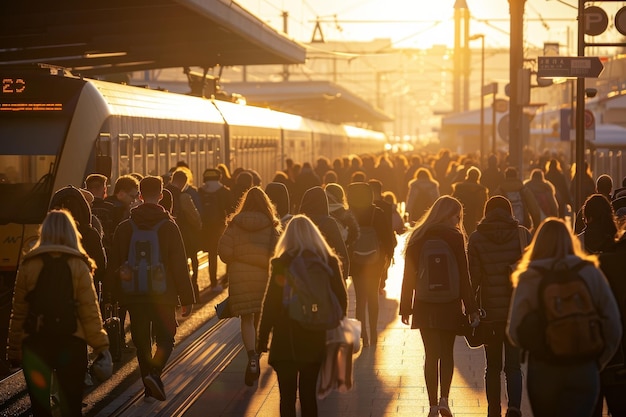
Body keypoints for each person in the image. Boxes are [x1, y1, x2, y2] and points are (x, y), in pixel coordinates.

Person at [507, 218, 622, 417]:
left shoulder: (529, 277)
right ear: (571, 241)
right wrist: (597, 362)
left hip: (544, 369)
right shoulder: (589, 271)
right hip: (584, 367)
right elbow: (613, 324)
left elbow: (514, 330)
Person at [7, 209, 110, 416]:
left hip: (36, 345)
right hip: (71, 343)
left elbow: (19, 311)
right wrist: (101, 346)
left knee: (40, 408)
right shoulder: (79, 264)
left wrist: (14, 351)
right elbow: (89, 310)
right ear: (72, 232)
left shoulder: (29, 264)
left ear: (43, 232)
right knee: (71, 406)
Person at [104, 176, 195, 401]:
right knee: (166, 339)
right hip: (163, 295)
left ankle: (148, 384)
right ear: (162, 196)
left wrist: (110, 295)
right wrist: (187, 297)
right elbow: (179, 265)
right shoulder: (169, 226)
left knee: (141, 342)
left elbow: (114, 263)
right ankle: (154, 374)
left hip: (134, 295)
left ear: (140, 195)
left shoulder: (125, 227)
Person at [257, 215, 348, 417]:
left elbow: (271, 303)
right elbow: (341, 301)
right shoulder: (328, 261)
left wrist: (262, 338)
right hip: (315, 338)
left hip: (285, 339)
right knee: (308, 395)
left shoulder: (282, 263)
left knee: (287, 398)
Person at [400, 195, 480, 417]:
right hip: (450, 304)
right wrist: (471, 307)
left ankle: (433, 405)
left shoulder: (418, 236)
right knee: (447, 353)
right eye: (457, 215)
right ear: (448, 214)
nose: (458, 219)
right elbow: (464, 276)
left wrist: (406, 306)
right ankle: (445, 399)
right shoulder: (454, 237)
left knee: (430, 354)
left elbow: (409, 275)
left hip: (425, 304)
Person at [468, 196, 531, 417]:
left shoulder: (476, 238)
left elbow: (473, 277)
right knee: (514, 366)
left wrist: (471, 307)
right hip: (516, 311)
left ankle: (493, 410)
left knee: (492, 366)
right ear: (509, 211)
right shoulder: (522, 234)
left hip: (490, 314)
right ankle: (514, 408)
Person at [218, 186, 282, 386]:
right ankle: (261, 349)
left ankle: (251, 355)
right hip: (264, 278)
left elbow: (224, 252)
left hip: (240, 277)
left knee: (246, 318)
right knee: (261, 316)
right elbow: (279, 255)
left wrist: (239, 257)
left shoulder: (234, 224)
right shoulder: (272, 227)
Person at [348, 182, 395, 347]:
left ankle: (363, 336)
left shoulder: (349, 214)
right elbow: (388, 238)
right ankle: (374, 331)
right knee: (373, 296)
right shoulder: (378, 213)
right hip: (375, 261)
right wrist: (389, 255)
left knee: (360, 299)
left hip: (356, 261)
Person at [298, 186, 350, 281]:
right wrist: (344, 274)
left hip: (302, 270)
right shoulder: (329, 223)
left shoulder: (298, 221)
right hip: (325, 270)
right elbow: (340, 249)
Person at [165, 169, 203, 299]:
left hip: (165, 236)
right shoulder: (184, 197)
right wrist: (198, 228)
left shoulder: (162, 194)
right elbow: (195, 218)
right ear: (184, 183)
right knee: (192, 260)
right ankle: (192, 289)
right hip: (184, 235)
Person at [198, 168, 235, 291]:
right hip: (221, 227)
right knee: (228, 252)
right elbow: (231, 210)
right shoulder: (224, 191)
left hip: (206, 228)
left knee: (211, 255)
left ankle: (213, 283)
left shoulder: (201, 191)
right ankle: (227, 278)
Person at [451, 166, 489, 234]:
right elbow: (484, 206)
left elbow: (452, 203)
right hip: (474, 218)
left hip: (460, 216)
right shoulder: (481, 190)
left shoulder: (459, 188)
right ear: (478, 177)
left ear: (467, 175)